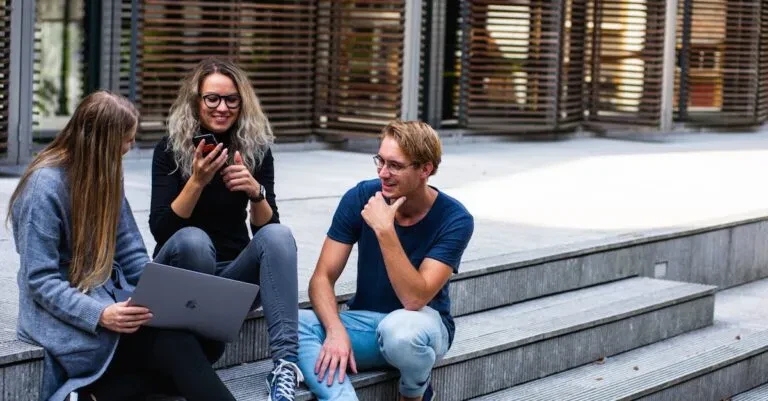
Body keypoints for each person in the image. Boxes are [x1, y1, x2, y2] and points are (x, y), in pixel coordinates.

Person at [9, 91, 236, 401]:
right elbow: (41, 280)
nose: (130, 147)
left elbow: (131, 254)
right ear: (102, 143)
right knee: (177, 346)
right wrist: (100, 314)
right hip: (66, 318)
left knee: (208, 342)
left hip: (113, 301)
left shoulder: (105, 175)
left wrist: (167, 297)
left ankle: (101, 393)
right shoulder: (43, 188)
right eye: (126, 140)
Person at [149, 58, 302, 401]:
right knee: (195, 240)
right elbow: (161, 230)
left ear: (242, 101)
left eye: (231, 99)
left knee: (280, 236)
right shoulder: (170, 149)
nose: (222, 108)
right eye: (212, 99)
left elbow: (268, 230)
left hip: (232, 279)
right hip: (182, 273)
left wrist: (255, 193)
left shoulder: (255, 149)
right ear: (196, 101)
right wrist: (198, 181)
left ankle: (285, 368)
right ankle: (191, 350)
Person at [297, 121, 474, 401]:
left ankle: (414, 391)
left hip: (421, 327)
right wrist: (335, 331)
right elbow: (321, 278)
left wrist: (385, 229)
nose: (383, 173)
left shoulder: (455, 219)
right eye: (380, 161)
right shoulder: (360, 196)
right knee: (295, 323)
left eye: (395, 165)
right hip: (366, 324)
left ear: (425, 170)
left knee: (401, 331)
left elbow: (414, 299)